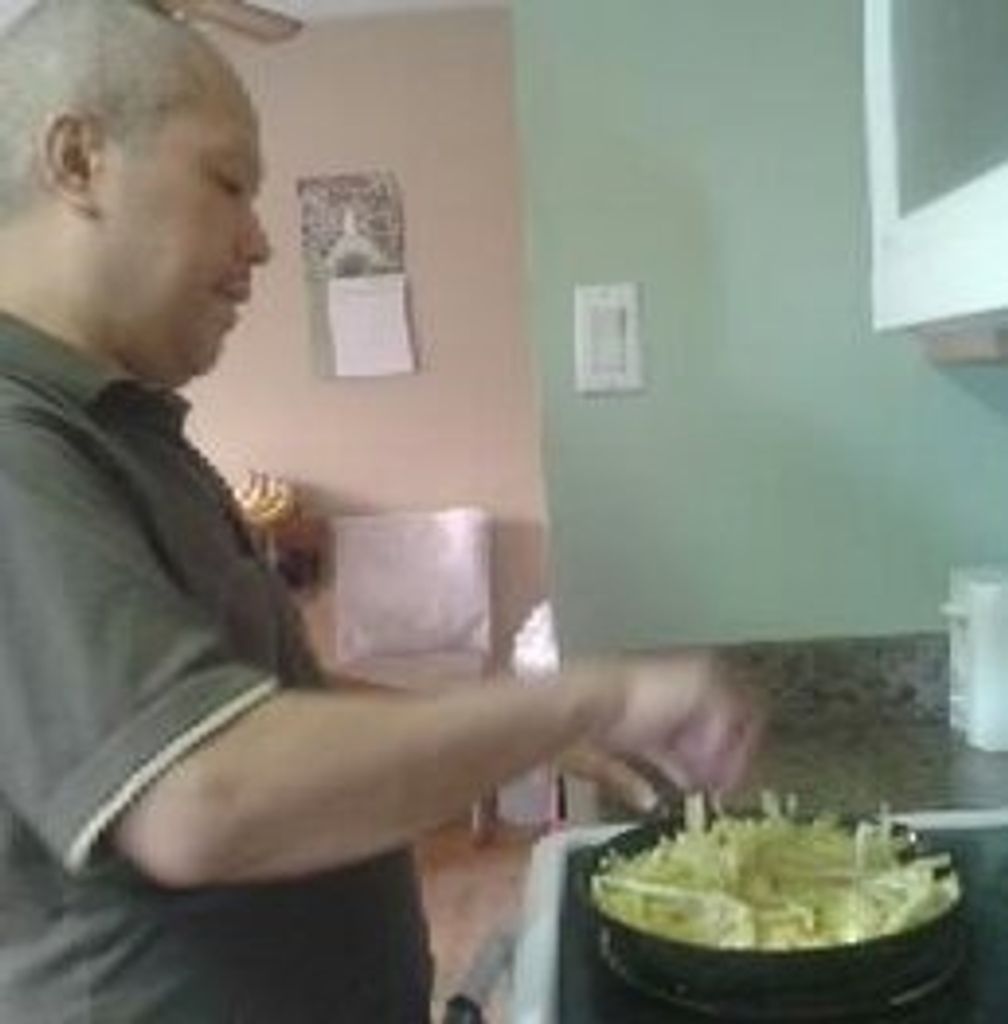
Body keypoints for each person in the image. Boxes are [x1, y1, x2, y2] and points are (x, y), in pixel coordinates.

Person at [0, 1, 762, 1021]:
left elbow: (281, 708)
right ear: (78, 161)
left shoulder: (124, 433)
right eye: (227, 182)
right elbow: (199, 798)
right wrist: (590, 699)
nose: (261, 242)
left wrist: (519, 735)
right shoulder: (17, 446)